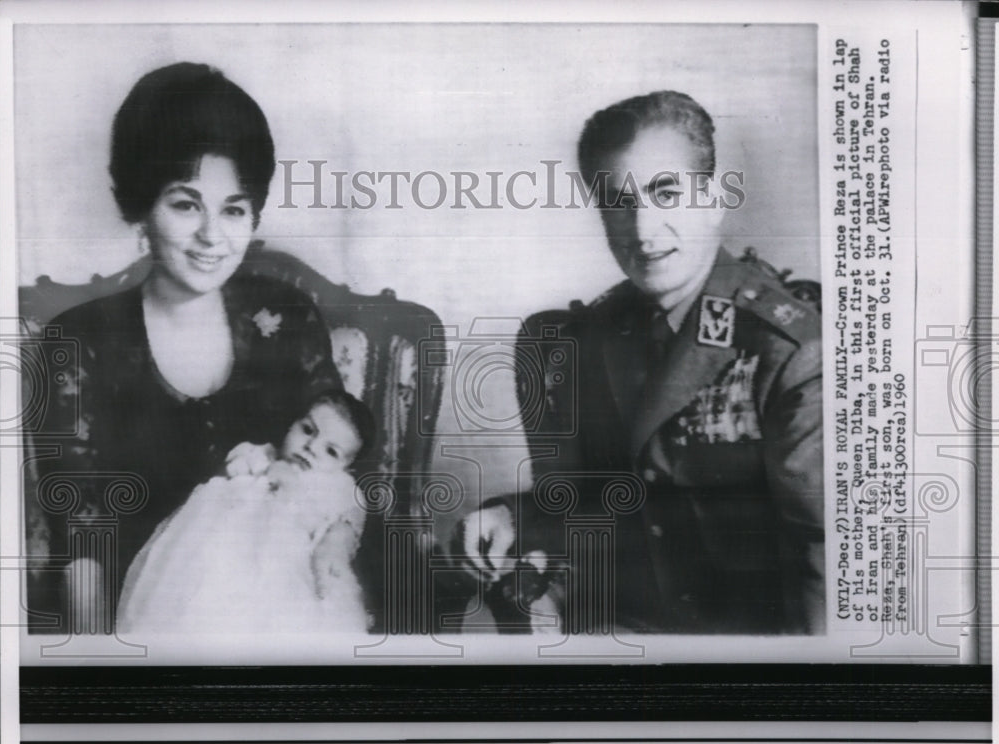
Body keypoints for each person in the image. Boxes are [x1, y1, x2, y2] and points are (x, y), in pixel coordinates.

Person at [460, 90, 825, 635]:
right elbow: (596, 498)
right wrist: (513, 516)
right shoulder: (597, 335)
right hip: (620, 637)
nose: (642, 229)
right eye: (617, 201)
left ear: (716, 198)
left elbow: (830, 561)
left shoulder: (788, 348)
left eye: (666, 192)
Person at [33, 62, 342, 631]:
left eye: (233, 209)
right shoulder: (78, 342)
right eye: (185, 203)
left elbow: (346, 473)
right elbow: (80, 535)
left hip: (288, 607)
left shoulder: (289, 316)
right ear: (142, 208)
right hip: (146, 616)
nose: (212, 237)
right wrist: (111, 675)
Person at [117, 390, 375, 634]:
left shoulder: (332, 488)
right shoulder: (258, 454)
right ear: (291, 424)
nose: (311, 446)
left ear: (346, 467)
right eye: (307, 430)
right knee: (195, 593)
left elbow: (334, 534)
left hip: (280, 566)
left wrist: (292, 492)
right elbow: (216, 487)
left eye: (331, 451)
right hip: (217, 546)